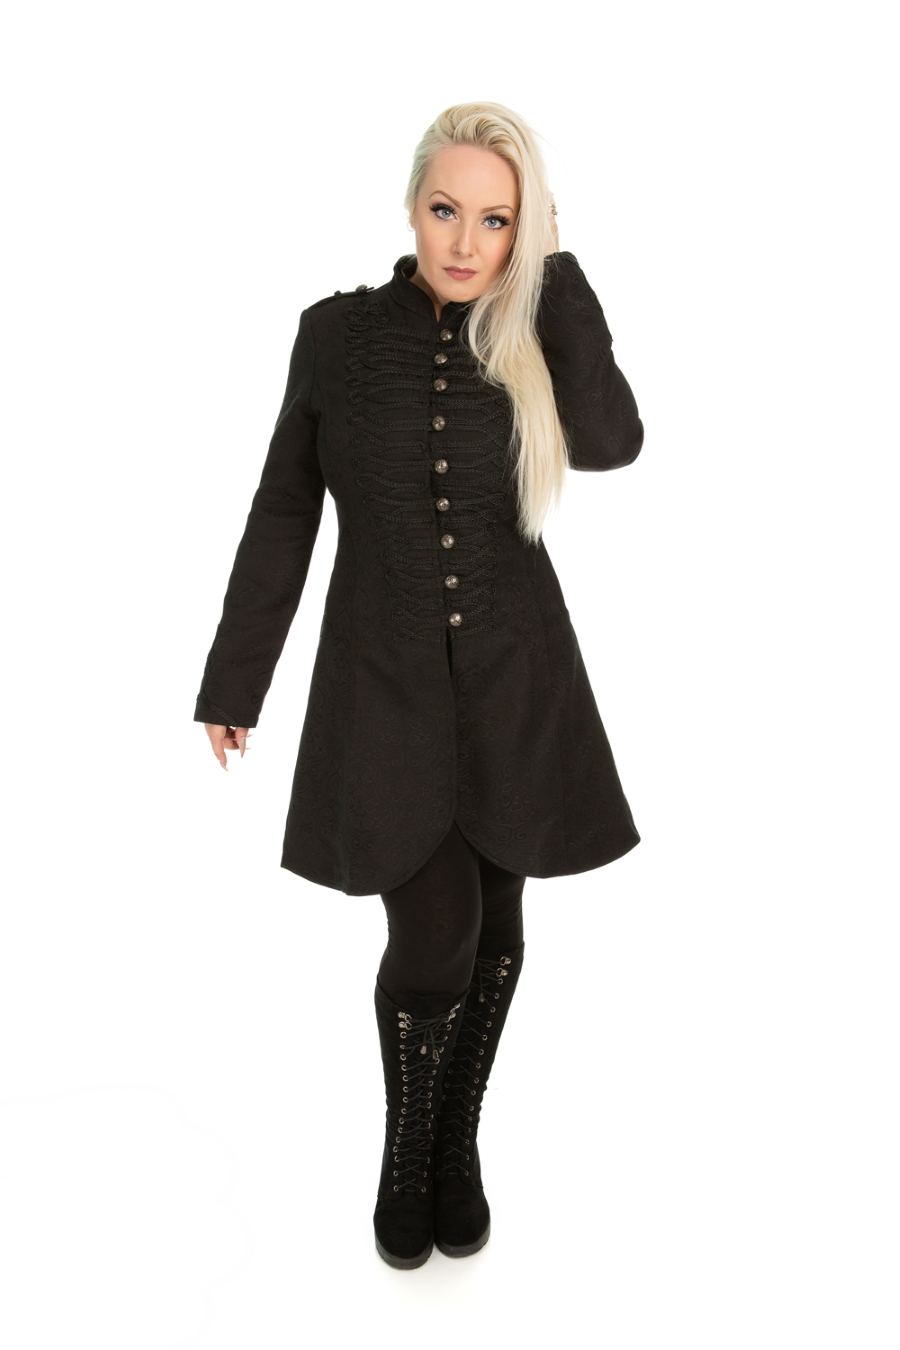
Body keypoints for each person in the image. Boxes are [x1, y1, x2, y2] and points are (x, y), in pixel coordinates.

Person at [193, 101, 644, 1269]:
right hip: (382, 689)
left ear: (522, 231)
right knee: (435, 932)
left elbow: (611, 440)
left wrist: (558, 268)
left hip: (519, 683)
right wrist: (236, 677)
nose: (465, 240)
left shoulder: (529, 327)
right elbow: (285, 508)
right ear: (411, 205)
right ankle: (410, 1151)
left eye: (498, 220)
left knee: (499, 923)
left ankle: (458, 1146)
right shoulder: (334, 336)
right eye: (447, 209)